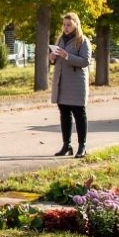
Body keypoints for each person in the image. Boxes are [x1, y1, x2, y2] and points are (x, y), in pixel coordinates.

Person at [49, 13, 92, 157]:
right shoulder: (60, 39)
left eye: (69, 25)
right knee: (64, 114)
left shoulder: (83, 41)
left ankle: (82, 145)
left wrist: (67, 56)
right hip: (62, 83)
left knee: (79, 114)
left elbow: (85, 61)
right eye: (64, 25)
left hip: (76, 84)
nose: (66, 28)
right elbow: (56, 60)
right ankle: (66, 144)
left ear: (75, 25)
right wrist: (52, 58)